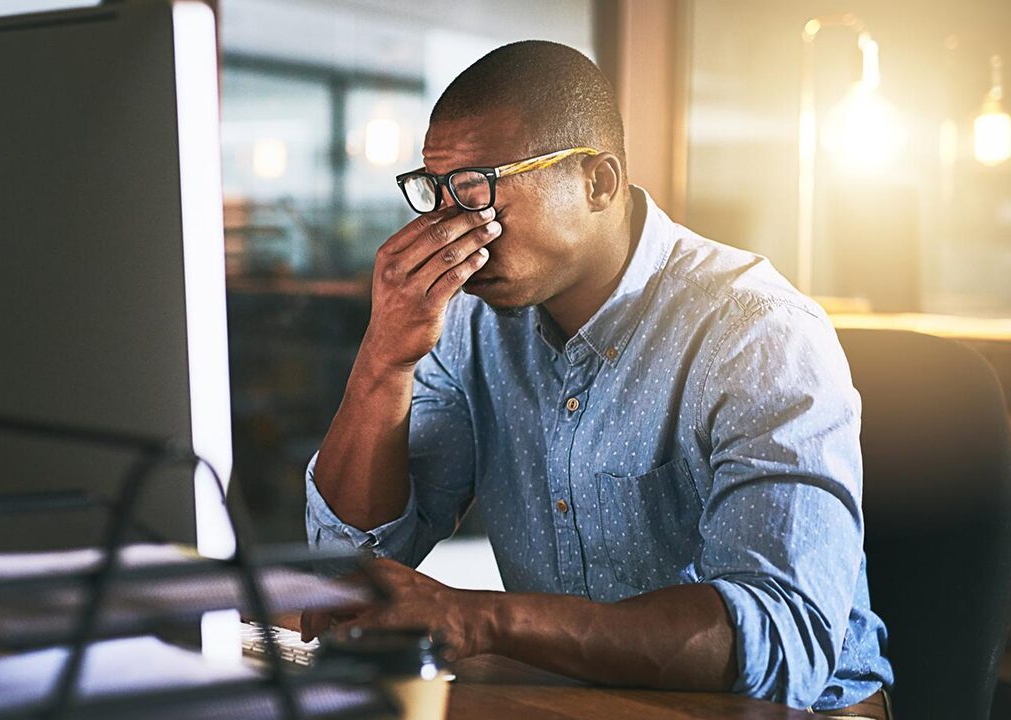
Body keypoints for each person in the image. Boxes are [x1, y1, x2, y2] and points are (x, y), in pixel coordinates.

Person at [300, 40, 893, 717]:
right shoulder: (470, 325)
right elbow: (353, 563)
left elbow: (781, 643)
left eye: (479, 191)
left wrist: (482, 619)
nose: (451, 228)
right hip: (580, 700)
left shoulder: (757, 332)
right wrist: (384, 359)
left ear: (598, 182)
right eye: (438, 194)